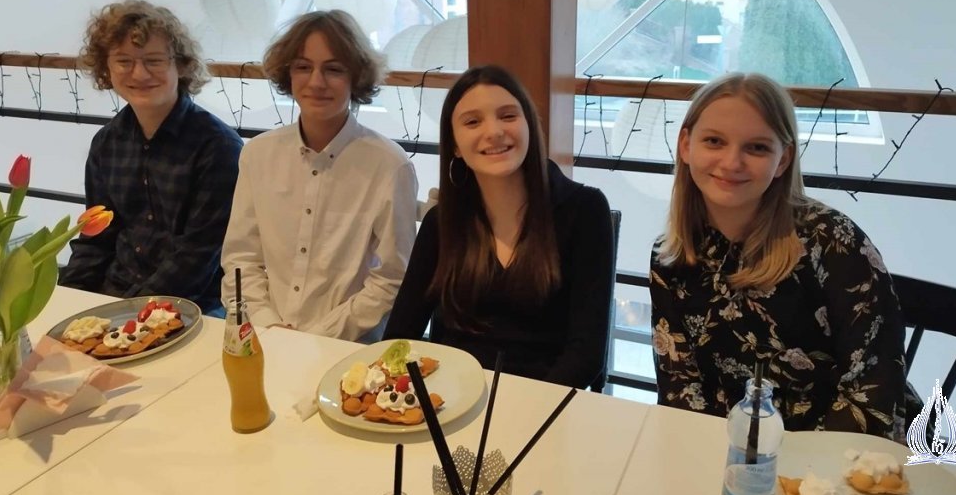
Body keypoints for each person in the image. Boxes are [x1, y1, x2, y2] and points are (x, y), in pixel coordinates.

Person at [650, 72, 908, 439]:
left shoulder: (833, 241)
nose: (732, 162)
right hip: (730, 449)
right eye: (714, 141)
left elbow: (874, 391)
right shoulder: (670, 257)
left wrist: (785, 465)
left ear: (783, 159)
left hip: (841, 452)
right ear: (686, 145)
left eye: (757, 148)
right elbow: (679, 387)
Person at [383, 65, 614, 389]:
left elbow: (586, 354)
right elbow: (400, 335)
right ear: (455, 145)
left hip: (546, 401)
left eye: (507, 116)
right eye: (472, 122)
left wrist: (527, 408)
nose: (493, 131)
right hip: (452, 398)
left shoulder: (585, 210)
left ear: (530, 125)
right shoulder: (441, 222)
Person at [221, 10, 418, 341]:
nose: (316, 82)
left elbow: (392, 278)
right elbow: (241, 259)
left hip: (348, 347)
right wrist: (268, 324)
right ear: (288, 73)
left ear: (356, 77)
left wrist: (315, 338)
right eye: (303, 67)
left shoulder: (389, 165)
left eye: (333, 69)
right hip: (265, 338)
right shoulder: (258, 154)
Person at [61, 0, 243, 316]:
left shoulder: (218, 147)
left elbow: (198, 255)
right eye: (124, 61)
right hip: (115, 295)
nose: (139, 73)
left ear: (181, 65)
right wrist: (65, 302)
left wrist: (128, 317)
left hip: (194, 305)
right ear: (106, 68)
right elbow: (96, 240)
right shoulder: (106, 143)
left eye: (154, 61)